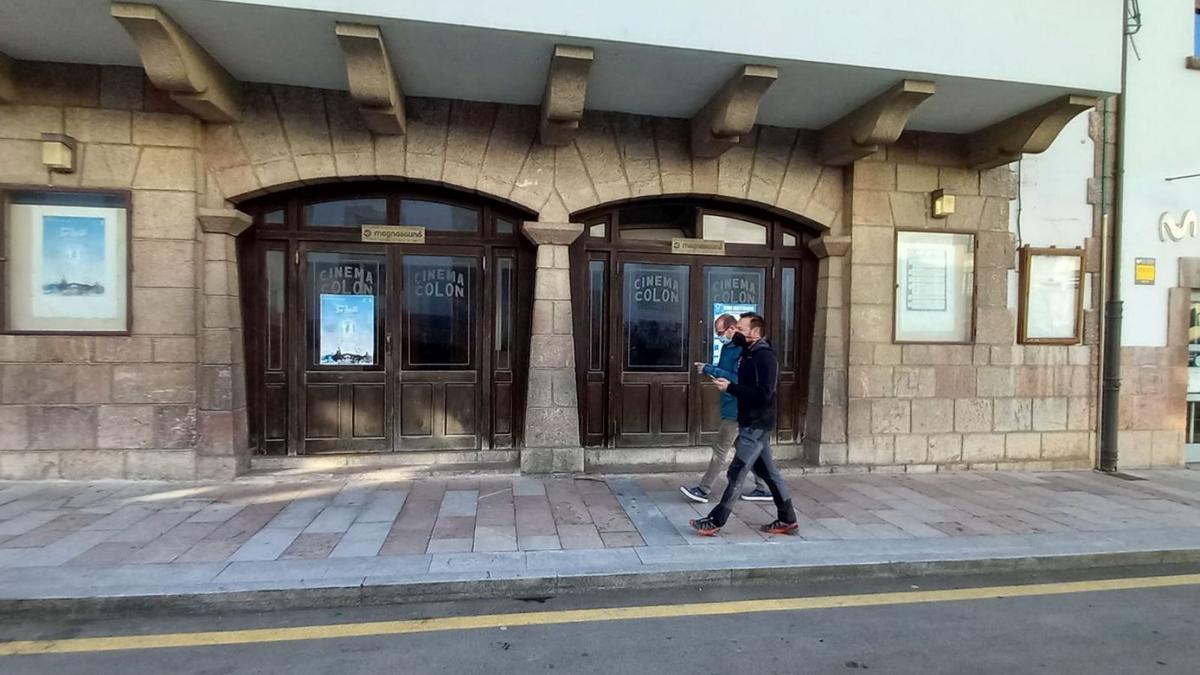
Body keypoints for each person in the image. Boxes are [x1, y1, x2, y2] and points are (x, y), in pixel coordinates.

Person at [690, 312, 798, 536]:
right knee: (770, 473)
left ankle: (716, 520)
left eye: (741, 328)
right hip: (749, 420)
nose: (735, 332)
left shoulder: (765, 357)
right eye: (735, 328)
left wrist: (730, 388)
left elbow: (764, 394)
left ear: (755, 333)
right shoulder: (747, 351)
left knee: (736, 472)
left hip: (757, 423)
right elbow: (734, 342)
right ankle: (788, 519)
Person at [679, 313, 770, 504]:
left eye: (720, 332)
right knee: (748, 451)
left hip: (737, 408)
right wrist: (711, 369)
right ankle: (764, 487)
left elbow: (738, 378)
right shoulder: (727, 347)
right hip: (731, 404)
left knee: (720, 449)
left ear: (732, 329)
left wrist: (710, 369)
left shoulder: (742, 350)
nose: (718, 335)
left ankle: (703, 489)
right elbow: (726, 373)